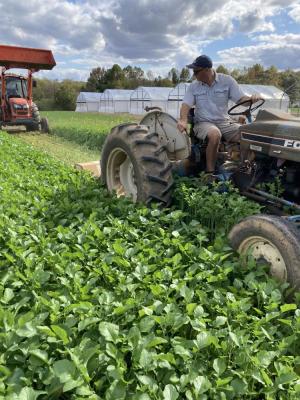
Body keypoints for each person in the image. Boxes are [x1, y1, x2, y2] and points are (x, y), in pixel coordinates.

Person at [177, 55, 263, 176]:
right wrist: (183, 120)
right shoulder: (194, 86)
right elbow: (186, 104)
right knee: (215, 133)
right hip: (203, 123)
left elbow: (241, 99)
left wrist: (252, 99)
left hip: (224, 121)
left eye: (196, 71)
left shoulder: (227, 81)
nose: (194, 74)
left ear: (207, 70)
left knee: (247, 134)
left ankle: (244, 169)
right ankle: (210, 173)